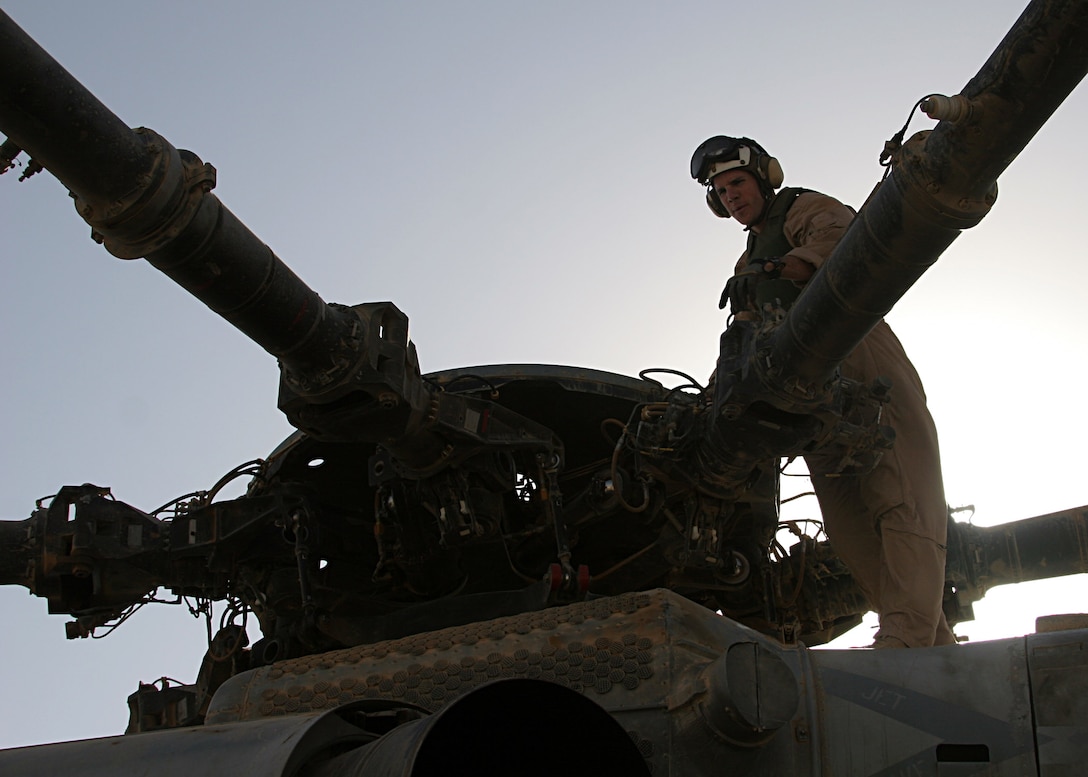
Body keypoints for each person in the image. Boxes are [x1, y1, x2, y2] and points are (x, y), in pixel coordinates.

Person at [690, 135, 957, 648]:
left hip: (860, 355)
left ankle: (905, 638)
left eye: (737, 183)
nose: (731, 196)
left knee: (900, 493)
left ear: (764, 178)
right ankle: (930, 642)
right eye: (721, 192)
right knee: (847, 522)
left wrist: (783, 266)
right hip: (806, 396)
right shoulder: (748, 261)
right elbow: (744, 339)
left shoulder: (801, 208)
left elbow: (839, 239)